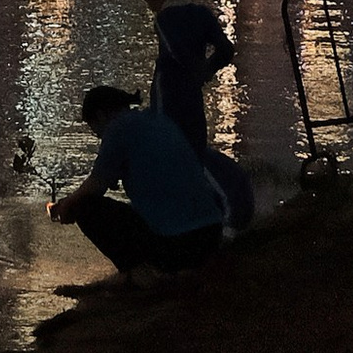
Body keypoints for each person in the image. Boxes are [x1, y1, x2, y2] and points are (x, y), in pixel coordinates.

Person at [50, 82, 229, 279]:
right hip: (211, 236)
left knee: (84, 207)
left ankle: (139, 275)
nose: (99, 137)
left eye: (95, 130)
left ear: (101, 115)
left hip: (178, 244)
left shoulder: (118, 129)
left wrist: (67, 205)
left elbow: (95, 186)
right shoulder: (158, 120)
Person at [136, 0, 236, 158]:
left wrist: (194, 71)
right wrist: (206, 70)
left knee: (166, 153)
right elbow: (226, 49)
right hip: (193, 95)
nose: (150, 7)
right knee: (194, 149)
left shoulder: (163, 19)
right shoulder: (202, 13)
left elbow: (176, 51)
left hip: (169, 93)